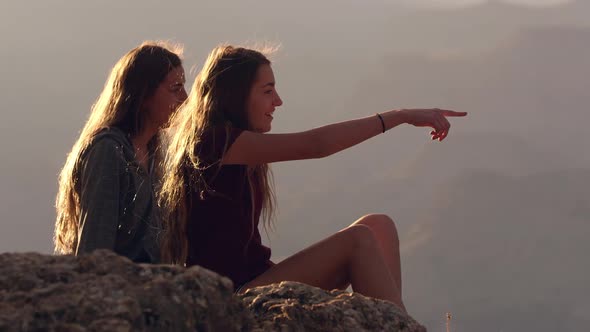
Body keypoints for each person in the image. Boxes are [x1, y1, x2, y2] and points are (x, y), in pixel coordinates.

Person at [159, 45, 467, 311]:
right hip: (233, 296)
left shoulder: (237, 146)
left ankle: (391, 322)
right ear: (235, 96)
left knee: (378, 226)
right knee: (358, 240)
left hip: (257, 279)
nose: (278, 101)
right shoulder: (212, 143)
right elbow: (316, 145)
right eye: (267, 91)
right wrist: (399, 116)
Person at [54, 41, 188, 263]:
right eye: (175, 88)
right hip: (117, 289)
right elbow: (95, 247)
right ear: (144, 94)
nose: (185, 99)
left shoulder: (155, 153)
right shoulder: (107, 151)